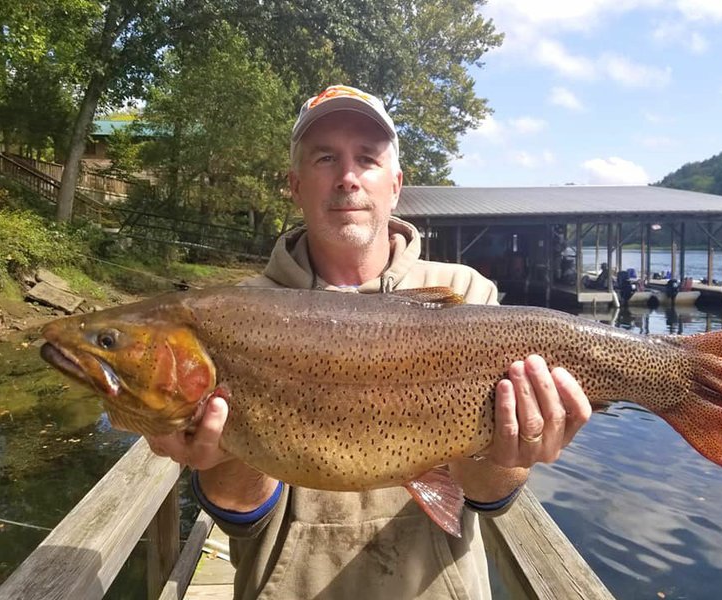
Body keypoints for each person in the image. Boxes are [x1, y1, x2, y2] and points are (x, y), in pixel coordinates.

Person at [146, 84, 592, 600]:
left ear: (396, 183)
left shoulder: (468, 296)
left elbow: (485, 494)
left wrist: (512, 453)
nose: (348, 178)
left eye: (367, 159)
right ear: (295, 184)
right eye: (326, 158)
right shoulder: (239, 315)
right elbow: (240, 513)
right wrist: (222, 454)